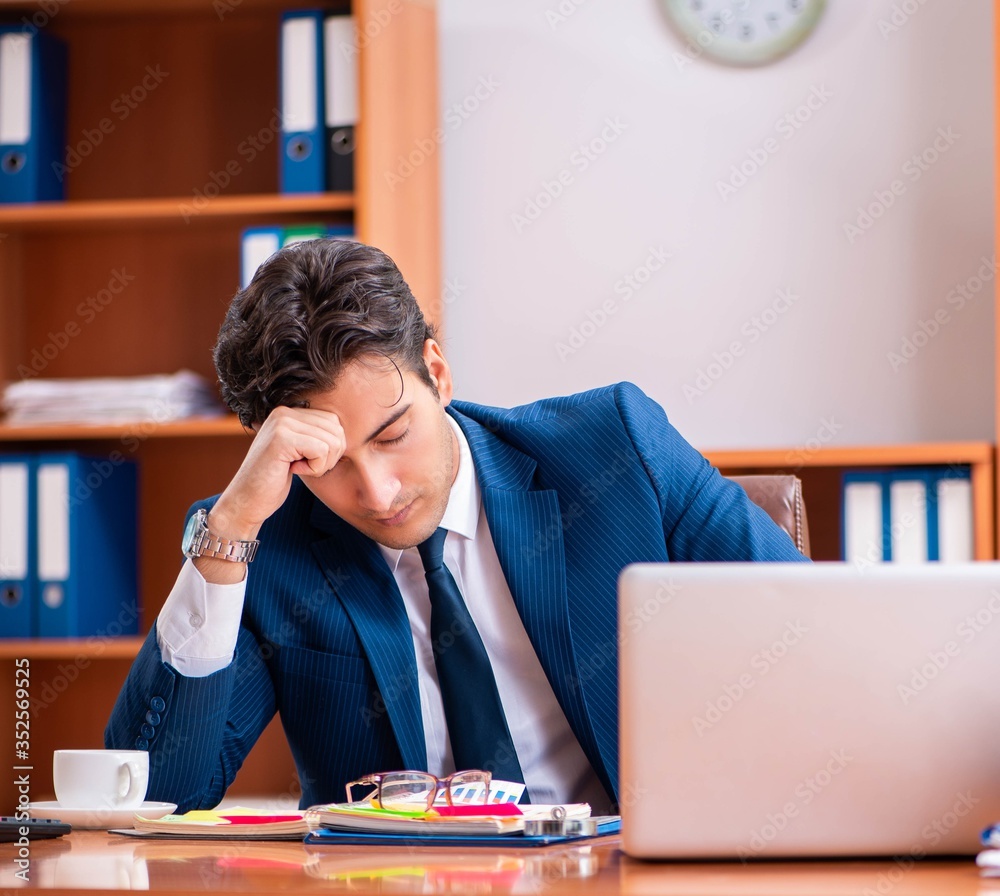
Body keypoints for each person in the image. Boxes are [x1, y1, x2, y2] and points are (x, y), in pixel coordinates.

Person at [105, 239, 808, 814]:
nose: (377, 493)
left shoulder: (616, 450)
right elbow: (156, 796)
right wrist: (227, 530)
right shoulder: (262, 543)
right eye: (326, 464)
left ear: (437, 374)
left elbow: (807, 642)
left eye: (391, 433)